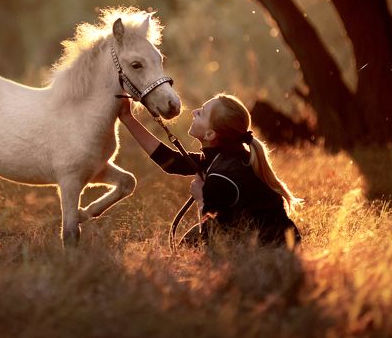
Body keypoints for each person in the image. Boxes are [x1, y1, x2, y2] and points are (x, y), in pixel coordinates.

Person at [118, 93, 301, 248]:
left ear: (210, 135)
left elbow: (211, 240)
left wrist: (200, 199)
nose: (194, 112)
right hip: (280, 241)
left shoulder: (221, 176)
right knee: (190, 240)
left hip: (268, 251)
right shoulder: (226, 156)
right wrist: (127, 118)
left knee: (191, 244)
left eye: (202, 113)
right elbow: (172, 162)